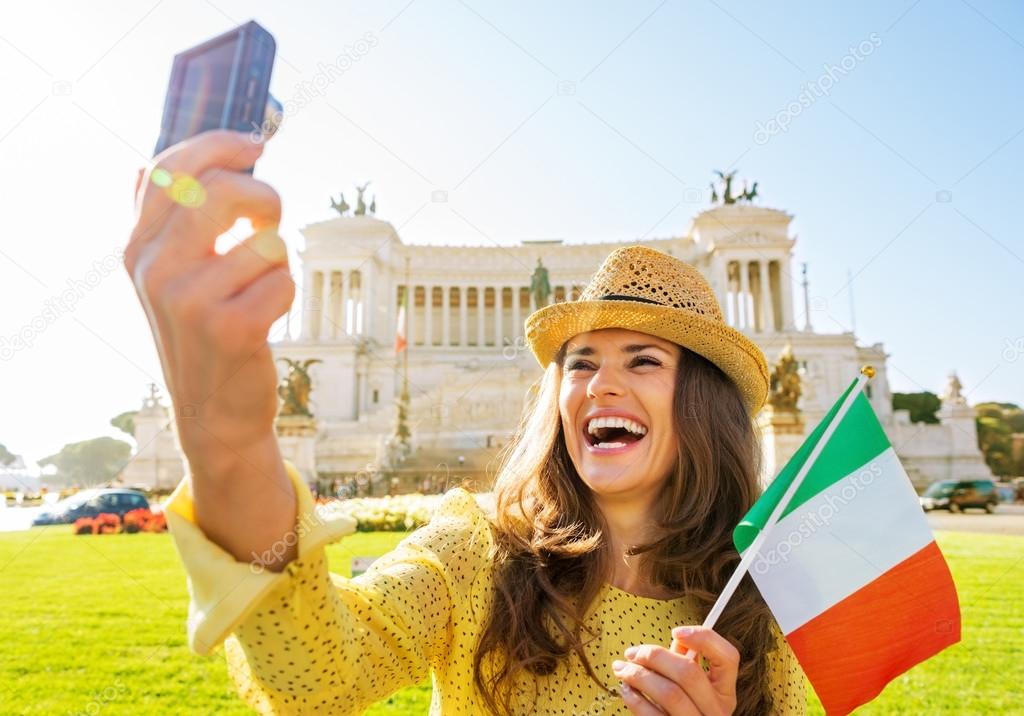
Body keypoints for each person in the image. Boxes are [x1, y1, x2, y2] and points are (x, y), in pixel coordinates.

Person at [125, 130, 806, 715]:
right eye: (580, 362)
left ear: (700, 401)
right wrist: (230, 442)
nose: (601, 383)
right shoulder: (477, 553)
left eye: (644, 360)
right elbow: (318, 681)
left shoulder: (759, 607)